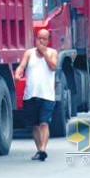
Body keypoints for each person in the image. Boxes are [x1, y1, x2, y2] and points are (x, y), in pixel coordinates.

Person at [14, 29, 58, 161]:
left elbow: (53, 67)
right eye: (39, 38)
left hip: (47, 95)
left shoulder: (52, 52)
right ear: (36, 39)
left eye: (44, 39)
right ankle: (39, 150)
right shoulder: (29, 53)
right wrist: (17, 74)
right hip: (30, 95)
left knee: (44, 123)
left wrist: (45, 54)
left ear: (48, 40)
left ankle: (43, 149)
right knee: (34, 125)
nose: (41, 41)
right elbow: (22, 66)